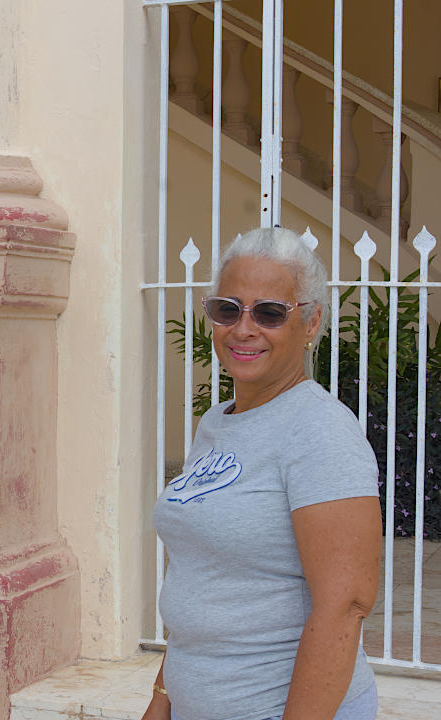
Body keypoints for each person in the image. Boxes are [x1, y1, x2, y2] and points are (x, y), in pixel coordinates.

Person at [144, 227, 381, 720]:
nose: (244, 328)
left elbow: (345, 605)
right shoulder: (217, 422)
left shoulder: (320, 431)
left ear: (312, 322)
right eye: (228, 309)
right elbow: (201, 575)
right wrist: (162, 697)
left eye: (270, 312)